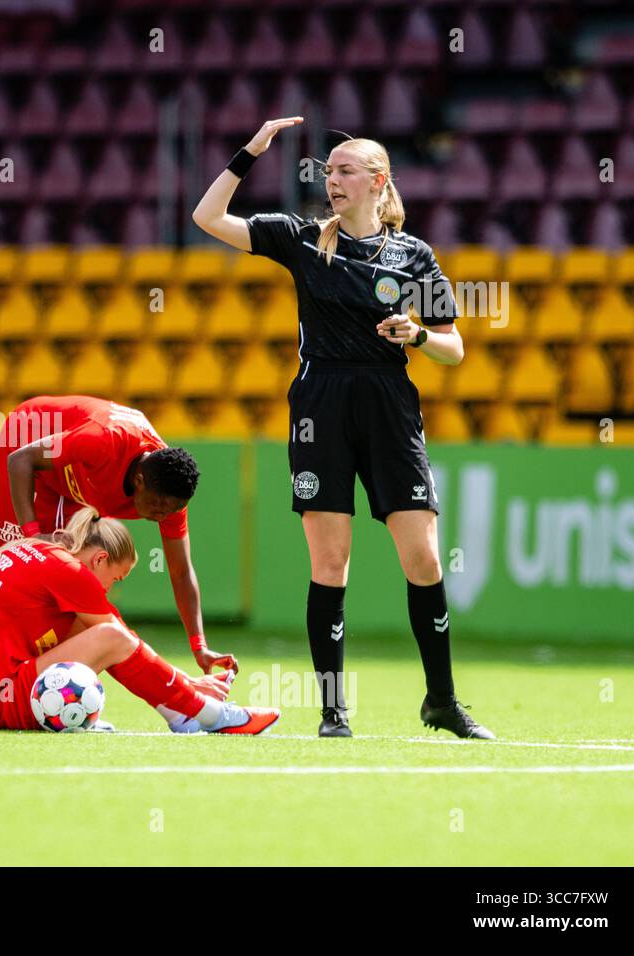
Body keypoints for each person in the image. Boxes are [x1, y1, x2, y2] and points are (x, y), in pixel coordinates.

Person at [192, 118, 494, 739]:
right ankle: (333, 712)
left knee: (424, 558)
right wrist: (251, 151)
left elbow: (454, 348)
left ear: (378, 181)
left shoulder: (414, 254)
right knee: (330, 565)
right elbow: (207, 217)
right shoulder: (302, 240)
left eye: (343, 170)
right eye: (327, 171)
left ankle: (442, 701)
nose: (330, 179)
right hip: (321, 404)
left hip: (390, 404)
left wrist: (418, 335)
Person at [0, 507, 279, 734]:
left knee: (96, 632)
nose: (110, 589)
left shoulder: (35, 549)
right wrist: (186, 685)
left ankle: (179, 713)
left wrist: (182, 680)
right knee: (109, 637)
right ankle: (205, 714)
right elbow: (119, 637)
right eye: (115, 579)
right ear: (100, 558)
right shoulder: (69, 571)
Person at [0, 395, 235, 675]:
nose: (162, 517)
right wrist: (32, 536)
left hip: (73, 480)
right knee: (18, 564)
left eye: (171, 510)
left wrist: (198, 645)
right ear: (139, 481)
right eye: (159, 507)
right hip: (30, 438)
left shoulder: (169, 492)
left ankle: (52, 683)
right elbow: (21, 460)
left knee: (78, 582)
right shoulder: (103, 440)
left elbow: (180, 570)